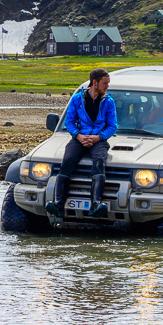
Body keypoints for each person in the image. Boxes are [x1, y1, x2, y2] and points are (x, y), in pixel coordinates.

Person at [48, 68, 117, 219]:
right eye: (105, 83)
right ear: (95, 82)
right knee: (67, 160)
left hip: (99, 140)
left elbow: (112, 126)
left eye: (108, 83)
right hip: (79, 138)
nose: (107, 86)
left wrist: (98, 137)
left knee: (99, 161)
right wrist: (78, 136)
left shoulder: (109, 102)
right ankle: (58, 203)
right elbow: (69, 122)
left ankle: (96, 203)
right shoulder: (77, 99)